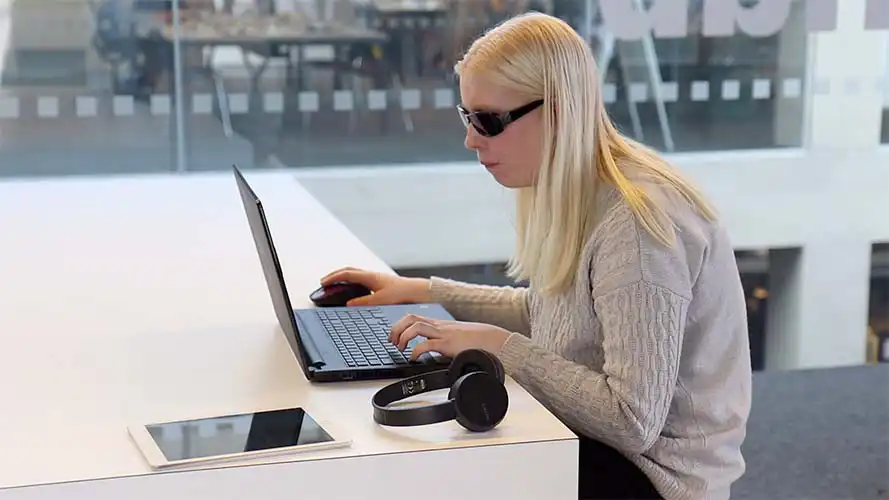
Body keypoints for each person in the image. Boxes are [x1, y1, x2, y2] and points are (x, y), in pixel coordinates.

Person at [320, 12, 752, 500]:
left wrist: (497, 345)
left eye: (487, 121)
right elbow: (552, 316)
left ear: (558, 110)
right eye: (467, 118)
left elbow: (632, 421)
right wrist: (423, 291)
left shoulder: (636, 230)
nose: (470, 139)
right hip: (604, 448)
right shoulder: (583, 187)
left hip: (653, 478)